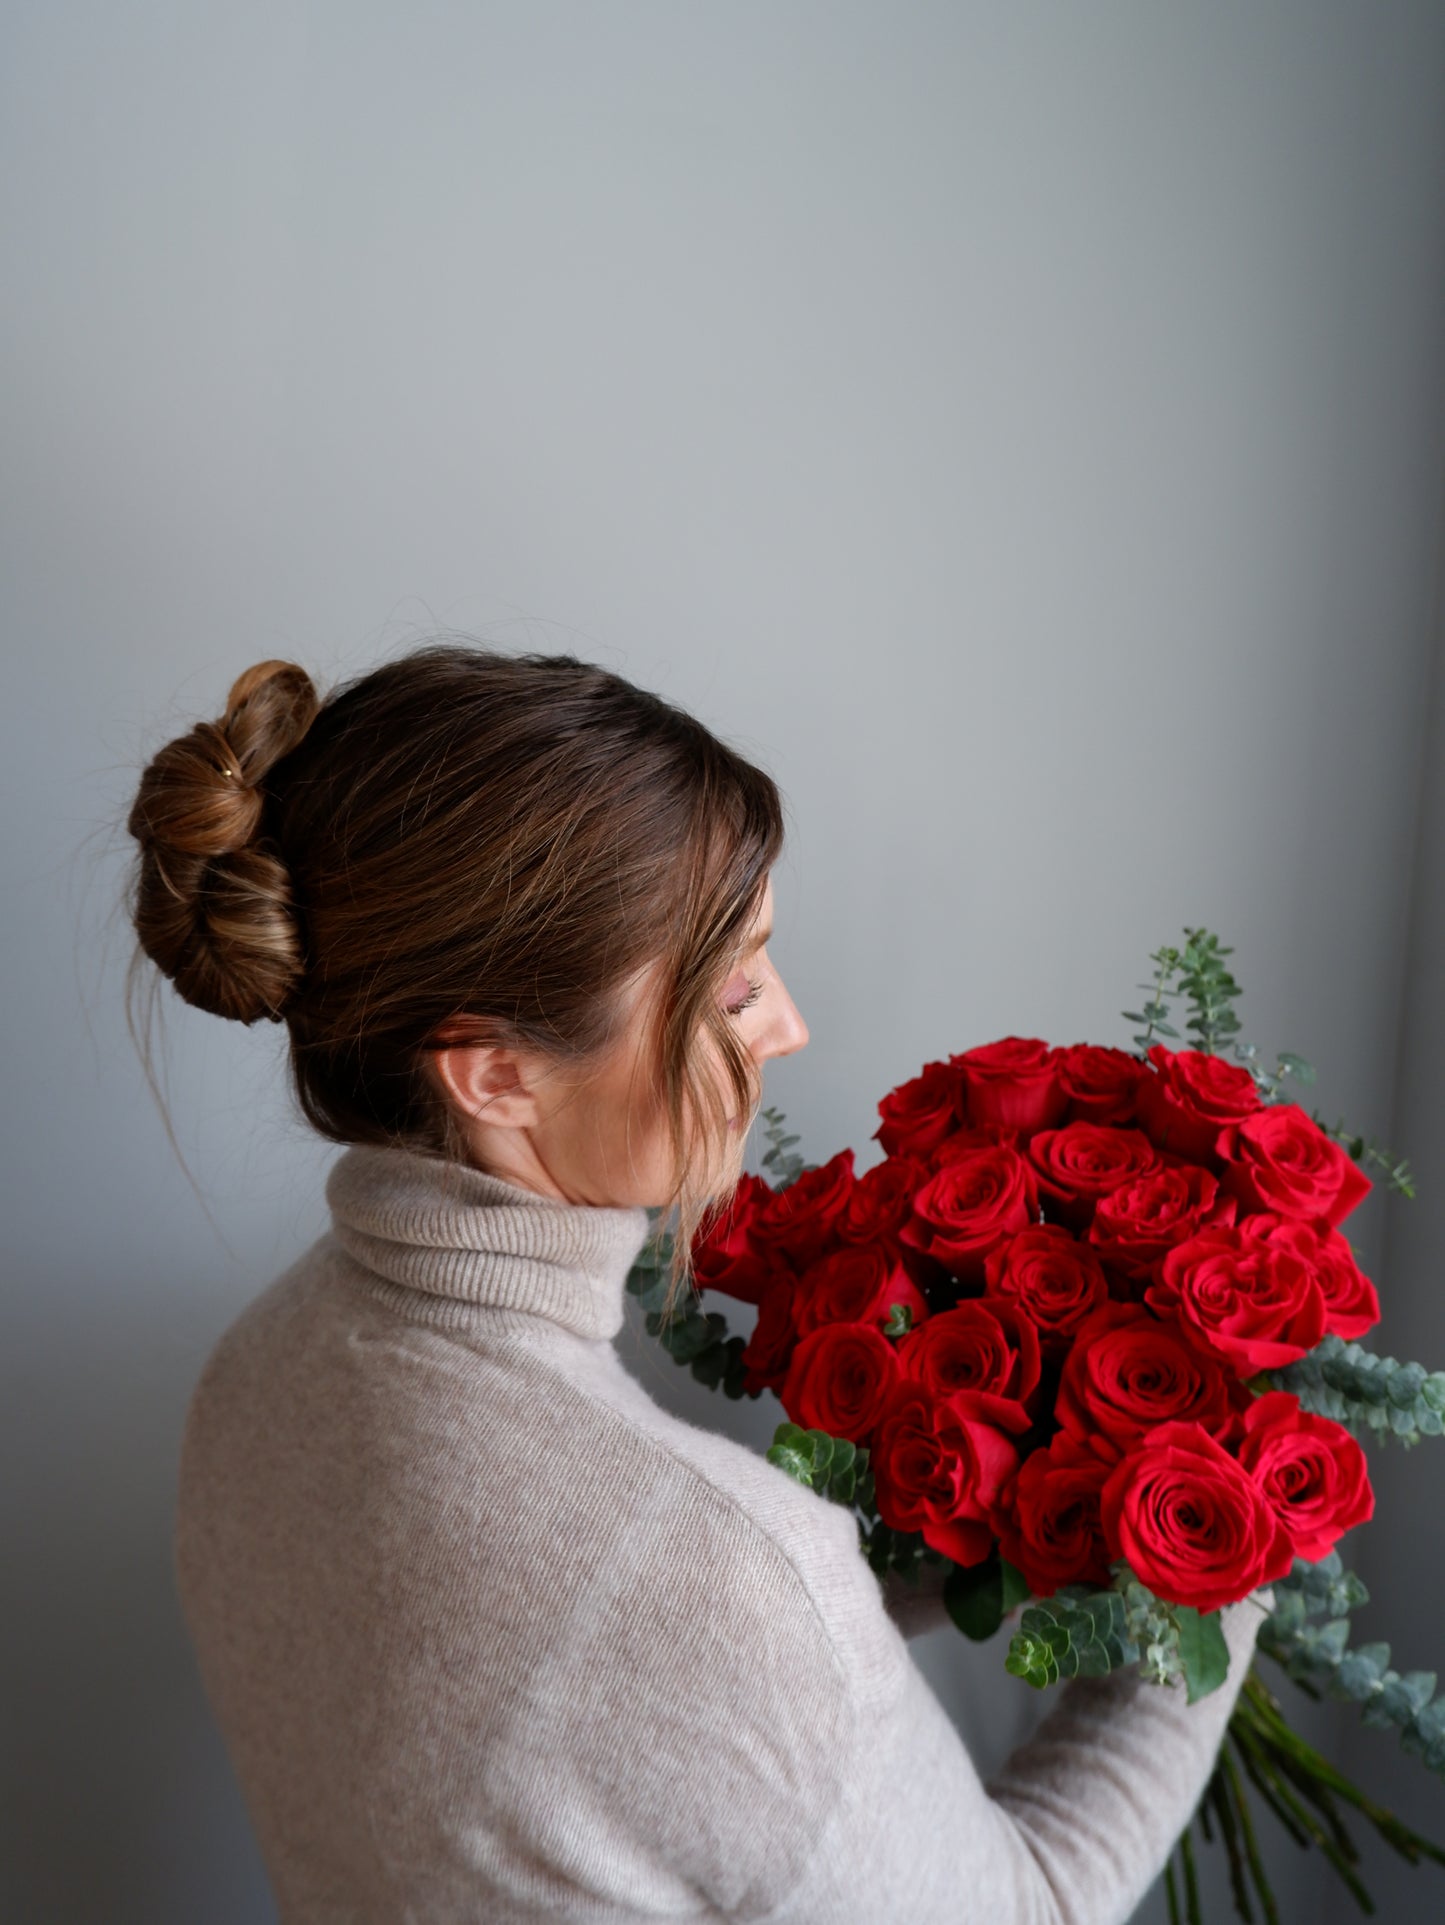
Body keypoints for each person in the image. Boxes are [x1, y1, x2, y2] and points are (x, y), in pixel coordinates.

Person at [131, 644, 1268, 1924]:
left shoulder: (252, 1377)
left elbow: (607, 1679)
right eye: (732, 987)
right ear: (495, 1073)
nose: (785, 1025)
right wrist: (1231, 1529)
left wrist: (1005, 1501)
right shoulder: (717, 1583)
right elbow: (1029, 1907)